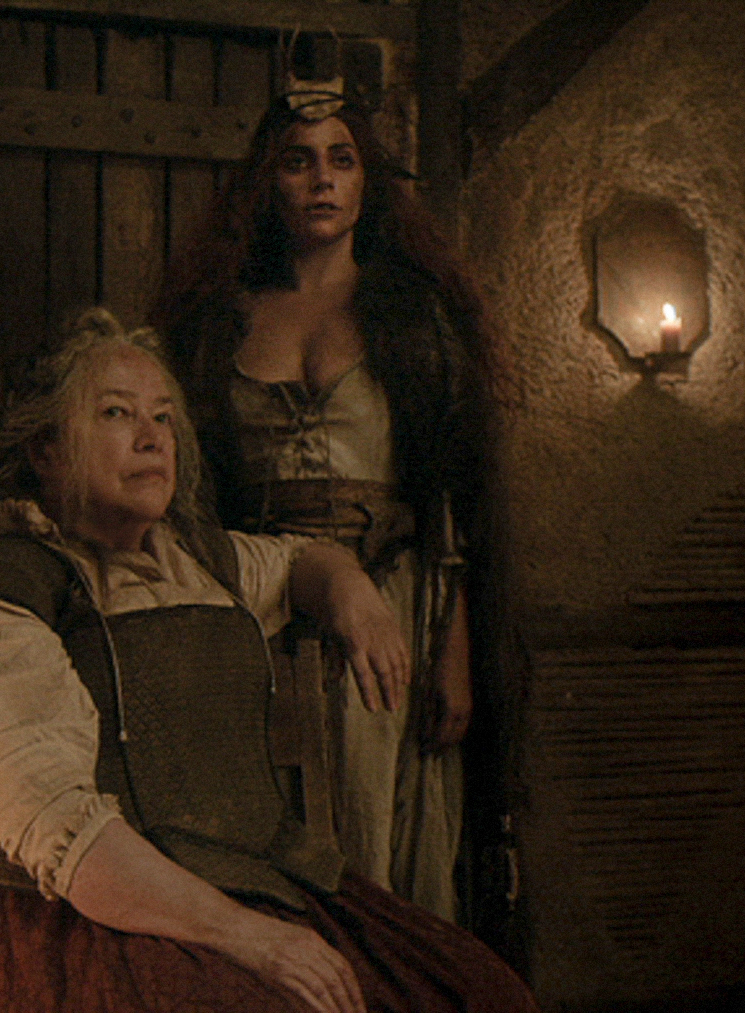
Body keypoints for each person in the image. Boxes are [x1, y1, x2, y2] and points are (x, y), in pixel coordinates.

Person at [0, 309, 534, 1013]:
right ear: (46, 449)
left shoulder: (200, 565)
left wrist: (351, 592)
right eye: (116, 413)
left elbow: (298, 560)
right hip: (89, 919)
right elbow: (72, 843)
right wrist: (255, 940)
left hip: (252, 878)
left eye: (163, 418)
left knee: (481, 991)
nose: (152, 438)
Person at [152, 86, 498, 923]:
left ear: (365, 181)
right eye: (297, 161)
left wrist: (452, 650)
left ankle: (387, 970)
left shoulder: (408, 316)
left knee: (379, 829)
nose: (321, 180)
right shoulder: (218, 321)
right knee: (273, 824)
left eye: (341, 160)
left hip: (393, 596)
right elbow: (191, 486)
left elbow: (444, 492)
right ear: (265, 182)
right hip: (262, 602)